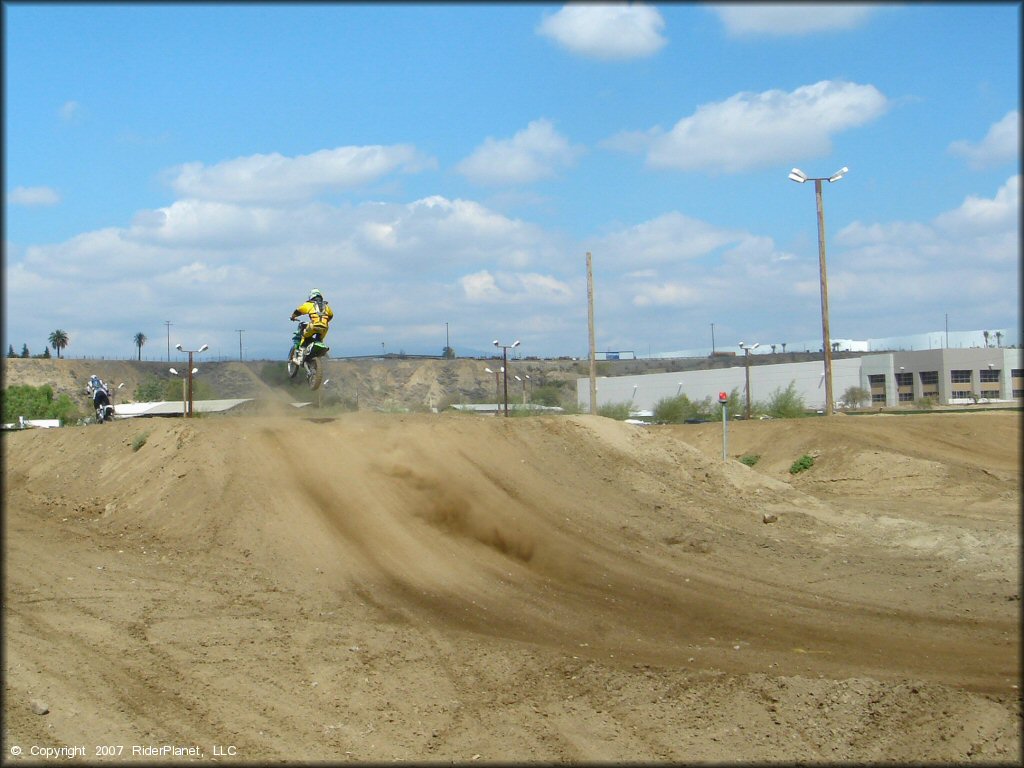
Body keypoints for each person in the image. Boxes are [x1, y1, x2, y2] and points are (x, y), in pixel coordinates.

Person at [289, 288, 334, 358]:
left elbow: (298, 311)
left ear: (311, 296)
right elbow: (331, 316)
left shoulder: (309, 304)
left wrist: (293, 317)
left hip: (313, 325)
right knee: (319, 340)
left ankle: (301, 352)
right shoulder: (326, 306)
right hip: (325, 328)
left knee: (304, 336)